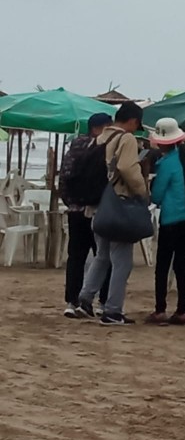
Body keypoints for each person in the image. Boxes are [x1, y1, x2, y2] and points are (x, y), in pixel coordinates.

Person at [78, 102, 148, 326]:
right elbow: (128, 168)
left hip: (99, 205)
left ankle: (85, 299)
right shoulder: (126, 139)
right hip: (118, 205)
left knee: (102, 255)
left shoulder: (100, 138)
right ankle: (113, 310)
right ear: (134, 121)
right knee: (122, 261)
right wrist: (142, 191)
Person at [146, 118, 185, 326]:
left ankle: (160, 309)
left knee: (163, 265)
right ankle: (182, 310)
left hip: (172, 219)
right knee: (181, 263)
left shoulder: (165, 164)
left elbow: (156, 196)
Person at [60, 113, 113, 318]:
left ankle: (72, 301)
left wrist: (71, 202)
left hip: (76, 210)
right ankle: (102, 300)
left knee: (76, 257)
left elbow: (64, 177)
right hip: (99, 210)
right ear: (100, 128)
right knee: (103, 256)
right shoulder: (104, 148)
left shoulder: (75, 146)